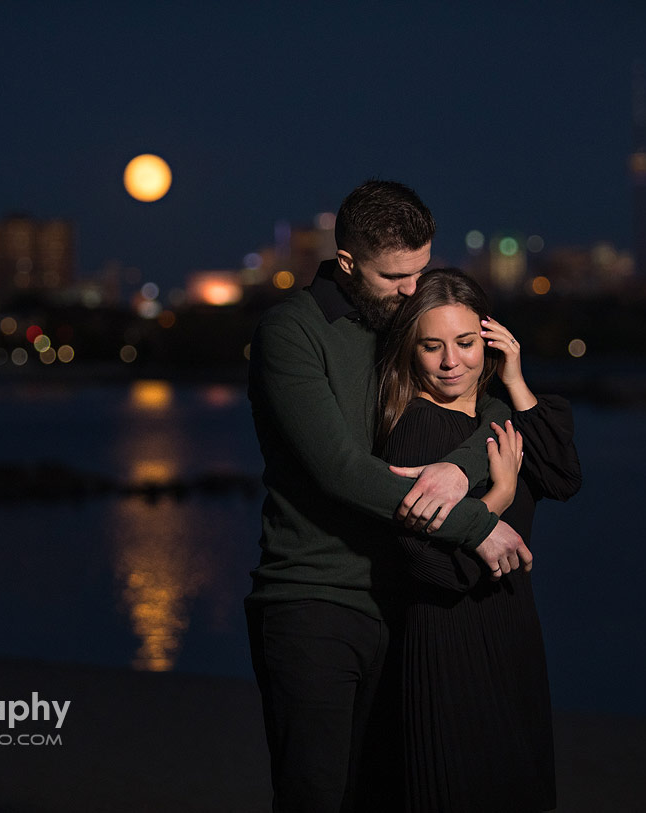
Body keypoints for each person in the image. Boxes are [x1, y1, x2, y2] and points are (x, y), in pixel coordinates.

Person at [245, 181, 529, 812]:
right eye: (395, 276)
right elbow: (342, 472)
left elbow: (488, 413)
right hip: (313, 600)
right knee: (315, 797)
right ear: (347, 264)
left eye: (421, 271)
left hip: (408, 604)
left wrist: (456, 472)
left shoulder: (408, 324)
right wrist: (473, 525)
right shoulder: (291, 334)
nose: (411, 290)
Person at [377, 268, 581, 813]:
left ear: (489, 341)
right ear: (410, 350)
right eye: (432, 346)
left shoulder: (497, 417)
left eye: (467, 343)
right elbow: (426, 564)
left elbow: (563, 477)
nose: (452, 362)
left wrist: (514, 379)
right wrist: (502, 494)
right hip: (448, 641)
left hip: (511, 635)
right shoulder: (414, 431)